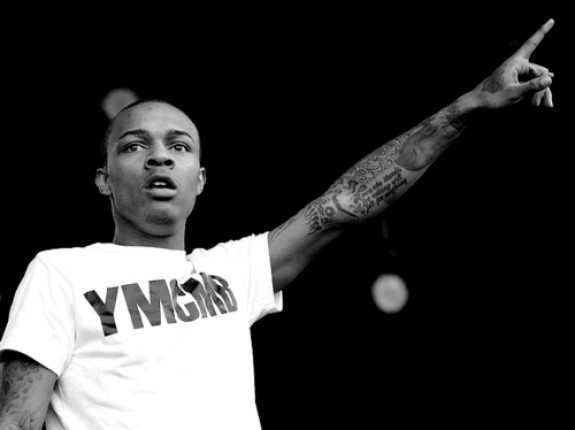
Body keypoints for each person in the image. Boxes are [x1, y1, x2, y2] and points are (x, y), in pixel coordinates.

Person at [0, 18, 556, 430]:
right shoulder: (60, 272)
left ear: (200, 179)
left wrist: (469, 106)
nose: (160, 156)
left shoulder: (231, 270)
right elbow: (17, 421)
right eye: (134, 145)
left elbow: (348, 201)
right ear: (103, 179)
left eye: (179, 146)